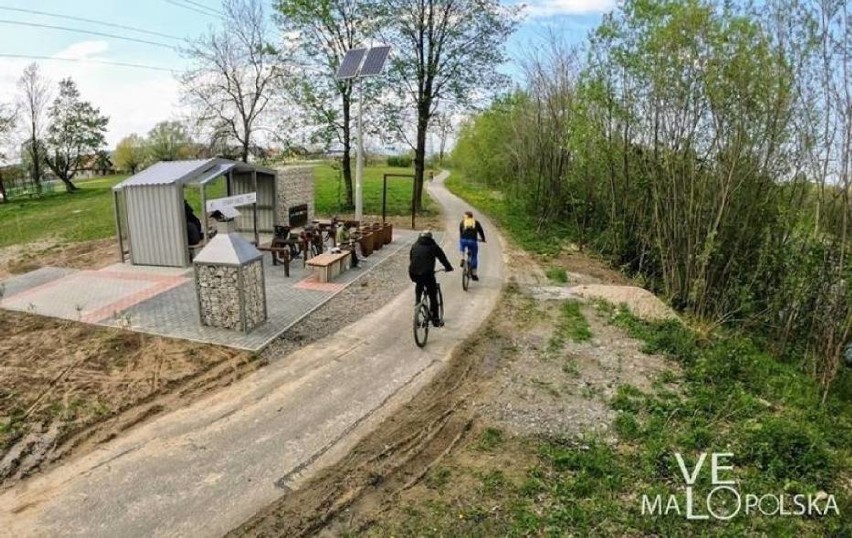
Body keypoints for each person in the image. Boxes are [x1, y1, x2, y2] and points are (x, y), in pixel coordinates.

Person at [409, 230, 453, 326]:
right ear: (430, 238)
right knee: (433, 295)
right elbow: (442, 258)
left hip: (414, 273)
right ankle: (436, 319)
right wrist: (448, 267)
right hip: (427, 274)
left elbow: (412, 258)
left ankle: (417, 305)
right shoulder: (433, 246)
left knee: (419, 285)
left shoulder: (415, 245)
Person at [459, 210, 486, 280]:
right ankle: (474, 274)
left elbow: (460, 232)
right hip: (472, 241)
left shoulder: (462, 222)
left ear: (465, 216)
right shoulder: (476, 222)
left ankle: (462, 258)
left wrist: (461, 239)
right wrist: (483, 239)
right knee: (474, 257)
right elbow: (481, 231)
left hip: (463, 240)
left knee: (462, 247)